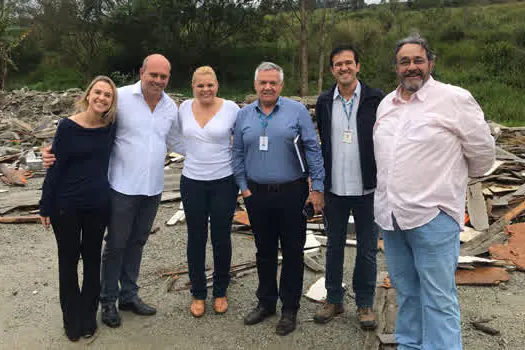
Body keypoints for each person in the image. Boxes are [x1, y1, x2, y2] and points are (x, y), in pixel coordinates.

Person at [42, 54, 185, 328]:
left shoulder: (170, 107)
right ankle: (108, 300)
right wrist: (52, 151)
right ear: (142, 72)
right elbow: (84, 124)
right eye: (152, 74)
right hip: (120, 187)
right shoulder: (119, 98)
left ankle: (129, 295)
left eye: (163, 76)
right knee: (116, 245)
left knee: (137, 243)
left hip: (153, 189)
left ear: (168, 78)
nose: (157, 80)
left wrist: (212, 153)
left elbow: (176, 140)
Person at [374, 34, 495, 350]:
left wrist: (448, 186)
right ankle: (410, 345)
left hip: (433, 218)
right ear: (396, 67)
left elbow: (482, 154)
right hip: (392, 218)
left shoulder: (454, 99)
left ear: (430, 62)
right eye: (404, 61)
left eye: (418, 60)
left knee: (438, 298)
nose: (411, 67)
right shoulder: (386, 104)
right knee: (407, 291)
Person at [232, 62, 325, 336]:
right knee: (264, 252)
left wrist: (316, 187)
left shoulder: (296, 111)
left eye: (273, 82)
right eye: (263, 82)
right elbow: (236, 152)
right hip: (257, 194)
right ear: (256, 85)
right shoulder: (244, 115)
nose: (268, 87)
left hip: (292, 193)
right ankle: (266, 303)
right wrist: (243, 188)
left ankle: (290, 309)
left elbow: (312, 148)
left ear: (281, 85)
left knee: (293, 252)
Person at [39, 75, 118, 341]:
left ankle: (88, 317)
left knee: (93, 261)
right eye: (98, 92)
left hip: (98, 204)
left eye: (108, 95)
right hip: (67, 206)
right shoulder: (67, 127)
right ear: (88, 95)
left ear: (112, 101)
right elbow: (55, 165)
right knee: (68, 262)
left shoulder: (110, 126)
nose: (102, 98)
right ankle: (71, 320)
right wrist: (45, 205)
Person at [313, 45, 384, 329]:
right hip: (335, 189)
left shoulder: (375, 98)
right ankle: (334, 299)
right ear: (332, 70)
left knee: (367, 249)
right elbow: (322, 143)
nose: (344, 68)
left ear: (358, 66)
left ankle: (365, 304)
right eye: (338, 64)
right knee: (334, 247)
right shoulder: (324, 100)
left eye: (348, 63)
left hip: (368, 188)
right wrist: (317, 185)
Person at [178, 66, 239, 317]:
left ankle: (221, 290)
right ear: (193, 86)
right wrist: (191, 153)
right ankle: (198, 292)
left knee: (221, 237)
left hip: (224, 180)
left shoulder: (232, 109)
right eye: (200, 85)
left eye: (210, 85)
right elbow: (174, 136)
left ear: (217, 85)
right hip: (192, 181)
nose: (206, 90)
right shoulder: (183, 108)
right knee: (196, 237)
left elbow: (243, 141)